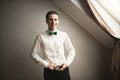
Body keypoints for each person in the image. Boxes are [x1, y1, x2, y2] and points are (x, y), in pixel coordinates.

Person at [31, 11, 75, 80]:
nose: (53, 22)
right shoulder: (40, 36)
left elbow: (71, 50)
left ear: (58, 21)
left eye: (55, 19)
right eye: (51, 19)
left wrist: (66, 63)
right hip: (49, 72)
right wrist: (46, 64)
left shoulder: (64, 35)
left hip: (63, 69)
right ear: (46, 21)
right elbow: (33, 54)